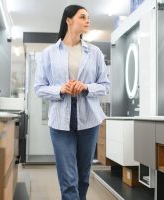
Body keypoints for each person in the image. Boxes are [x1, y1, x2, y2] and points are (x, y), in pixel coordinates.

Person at [34, 4, 110, 200]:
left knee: (83, 176)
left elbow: (105, 85)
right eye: (82, 17)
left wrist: (85, 87)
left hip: (89, 119)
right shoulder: (49, 53)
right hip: (60, 121)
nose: (87, 20)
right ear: (68, 20)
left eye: (88, 17)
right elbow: (39, 88)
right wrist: (60, 89)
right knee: (68, 179)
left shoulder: (95, 53)